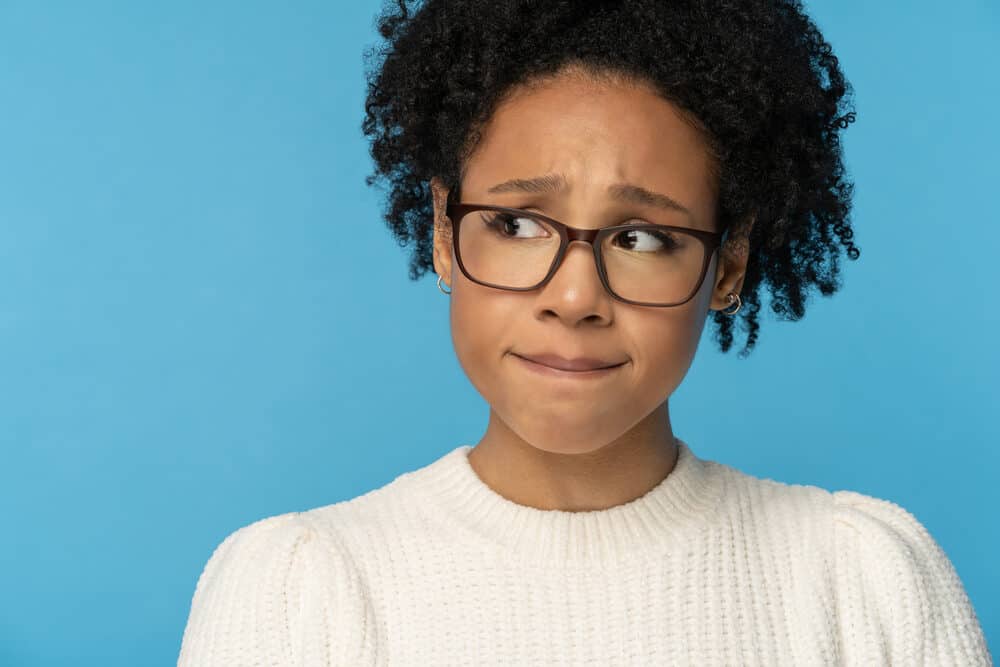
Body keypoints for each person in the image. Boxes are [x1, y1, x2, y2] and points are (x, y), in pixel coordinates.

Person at [178, 1, 992, 664]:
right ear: (441, 230)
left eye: (641, 238)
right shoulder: (298, 591)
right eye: (516, 223)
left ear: (730, 263)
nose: (575, 296)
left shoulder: (865, 580)